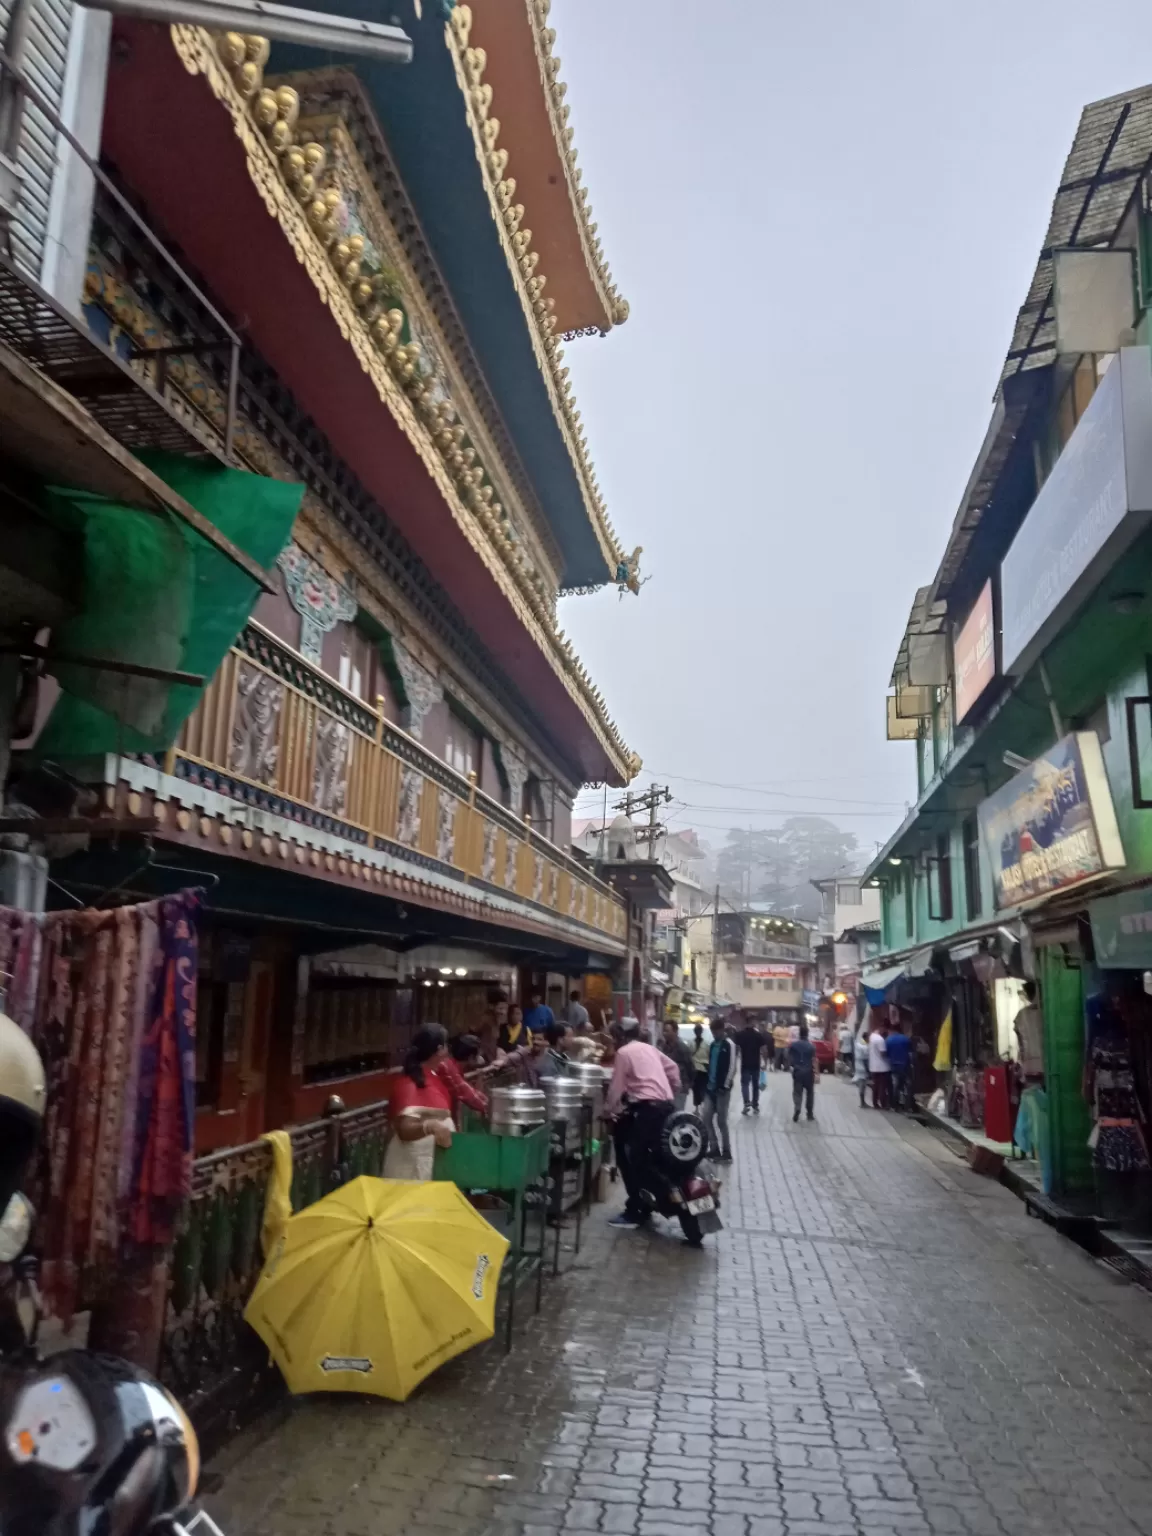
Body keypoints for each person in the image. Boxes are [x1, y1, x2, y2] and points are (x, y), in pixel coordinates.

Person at [604, 1017, 681, 1229]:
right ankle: (646, 1204)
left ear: (620, 1036)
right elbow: (673, 1070)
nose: (613, 1041)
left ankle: (635, 1209)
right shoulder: (649, 1048)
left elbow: (616, 1089)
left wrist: (608, 1111)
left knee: (632, 1157)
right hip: (665, 1108)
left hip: (646, 1110)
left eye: (614, 1037)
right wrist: (669, 1092)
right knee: (652, 1156)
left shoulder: (623, 1053)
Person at [383, 1025, 456, 1180]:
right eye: (446, 1046)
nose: (448, 1052)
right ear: (439, 1050)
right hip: (410, 1168)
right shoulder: (409, 1084)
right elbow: (404, 1129)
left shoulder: (434, 1078)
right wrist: (430, 1127)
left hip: (431, 1166)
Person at [702, 1017, 737, 1163]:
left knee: (721, 1121)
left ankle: (727, 1151)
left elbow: (732, 1067)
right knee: (706, 1118)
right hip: (710, 1089)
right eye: (712, 1032)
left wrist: (725, 1085)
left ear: (723, 1030)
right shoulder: (712, 1045)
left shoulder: (729, 1045)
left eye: (716, 1031)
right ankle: (714, 1148)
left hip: (722, 1090)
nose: (715, 1034)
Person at [733, 1012, 766, 1115]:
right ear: (752, 1022)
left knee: (745, 1085)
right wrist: (764, 1062)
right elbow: (764, 1049)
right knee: (755, 1085)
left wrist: (734, 1061)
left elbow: (736, 1049)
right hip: (755, 1064)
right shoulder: (758, 1035)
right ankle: (755, 1105)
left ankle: (746, 1103)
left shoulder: (740, 1035)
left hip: (745, 1064)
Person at [659, 1018, 694, 1111]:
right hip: (666, 1086)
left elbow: (690, 1067)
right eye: (663, 1031)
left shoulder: (683, 1048)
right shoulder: (663, 1048)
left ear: (675, 1031)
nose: (664, 1033)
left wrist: (687, 1084)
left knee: (677, 1114)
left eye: (667, 1031)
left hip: (680, 1087)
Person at [522, 1021, 571, 1086]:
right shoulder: (547, 1064)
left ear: (546, 1042)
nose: (535, 1042)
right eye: (533, 1039)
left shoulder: (561, 1058)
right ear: (560, 1040)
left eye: (539, 1039)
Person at [1014, 980, 1044, 1080]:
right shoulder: (1046, 1011)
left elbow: (1020, 1042)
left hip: (1029, 1065)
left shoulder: (1020, 1015)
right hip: (1047, 1063)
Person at [789, 1022, 817, 1123]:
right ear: (807, 1034)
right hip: (809, 1071)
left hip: (797, 1071)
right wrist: (817, 1074)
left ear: (799, 1034)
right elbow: (814, 1060)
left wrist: (792, 1066)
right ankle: (809, 1113)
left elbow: (790, 1058)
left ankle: (797, 1107)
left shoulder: (793, 1045)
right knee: (810, 1093)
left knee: (797, 1092)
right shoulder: (811, 1046)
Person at [886, 1013, 913, 1110]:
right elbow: (910, 1052)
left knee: (895, 1086)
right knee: (908, 1085)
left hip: (894, 1066)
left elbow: (886, 1054)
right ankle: (908, 1105)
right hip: (905, 1065)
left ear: (893, 1030)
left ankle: (895, 1105)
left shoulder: (888, 1040)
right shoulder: (905, 1039)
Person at [869, 1021, 891, 1109]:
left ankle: (875, 1103)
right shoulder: (880, 1039)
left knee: (875, 1085)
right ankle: (883, 1104)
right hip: (882, 1067)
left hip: (873, 1066)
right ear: (883, 1028)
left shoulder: (872, 1036)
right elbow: (883, 1053)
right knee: (882, 1086)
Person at [690, 1023, 710, 1107]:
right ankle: (699, 1106)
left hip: (701, 1069)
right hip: (699, 1069)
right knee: (698, 1089)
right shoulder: (705, 1043)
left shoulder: (704, 1043)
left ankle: (698, 1106)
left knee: (698, 1089)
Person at [853, 1026, 871, 1108]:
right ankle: (862, 1103)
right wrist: (868, 1070)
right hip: (863, 1067)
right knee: (862, 1085)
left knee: (862, 1085)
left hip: (858, 1066)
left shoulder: (858, 1043)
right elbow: (865, 1059)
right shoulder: (865, 1046)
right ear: (866, 1038)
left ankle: (862, 1102)